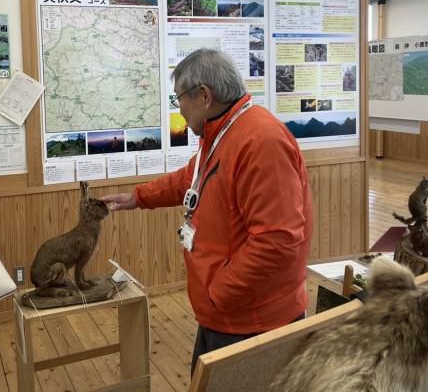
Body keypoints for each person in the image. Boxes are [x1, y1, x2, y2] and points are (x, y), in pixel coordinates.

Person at [101, 49, 313, 375]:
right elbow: (192, 179)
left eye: (179, 100)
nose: (180, 110)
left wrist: (219, 293)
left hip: (251, 320)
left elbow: (278, 240)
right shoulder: (223, 133)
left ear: (204, 95)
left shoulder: (261, 140)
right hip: (224, 314)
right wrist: (138, 197)